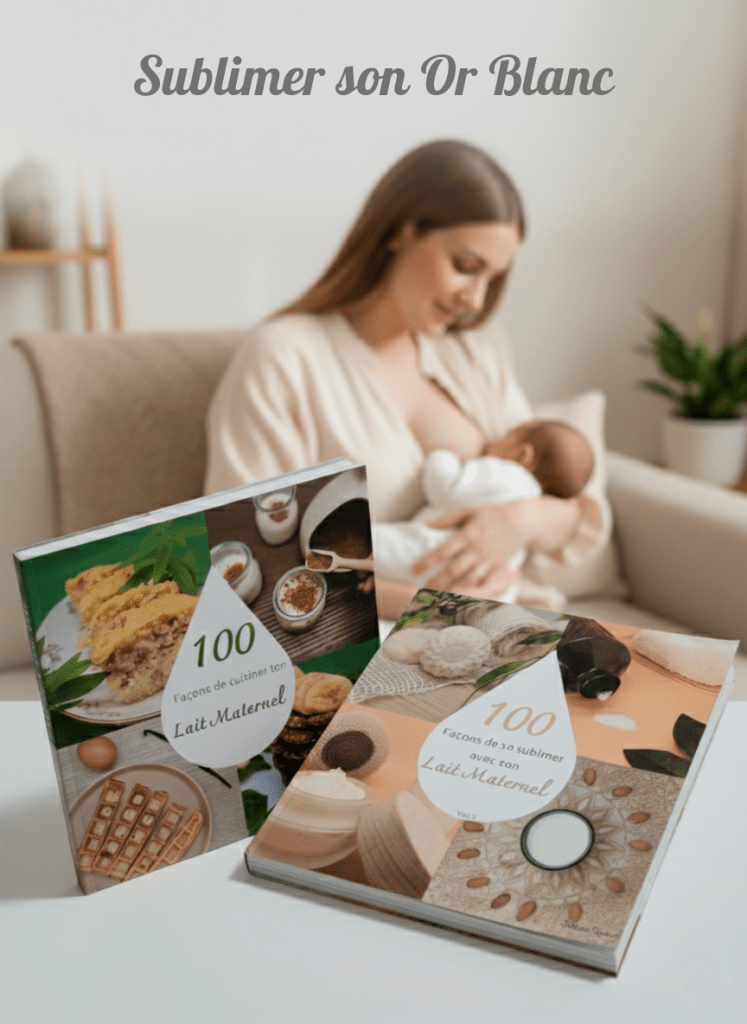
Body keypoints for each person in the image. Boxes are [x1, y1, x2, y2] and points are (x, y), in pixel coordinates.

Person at [205, 139, 608, 621]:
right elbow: (253, 559)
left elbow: (575, 508)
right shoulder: (285, 358)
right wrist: (439, 606)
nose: (476, 300)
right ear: (401, 231)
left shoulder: (474, 353)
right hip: (363, 637)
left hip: (503, 623)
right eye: (466, 267)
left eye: (493, 279)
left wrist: (519, 520)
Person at [372, 420, 594, 606]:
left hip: (432, 549)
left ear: (522, 455)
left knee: (372, 542)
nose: (494, 440)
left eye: (507, 436)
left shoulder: (507, 474)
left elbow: (444, 488)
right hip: (474, 583)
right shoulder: (533, 498)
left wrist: (443, 452)